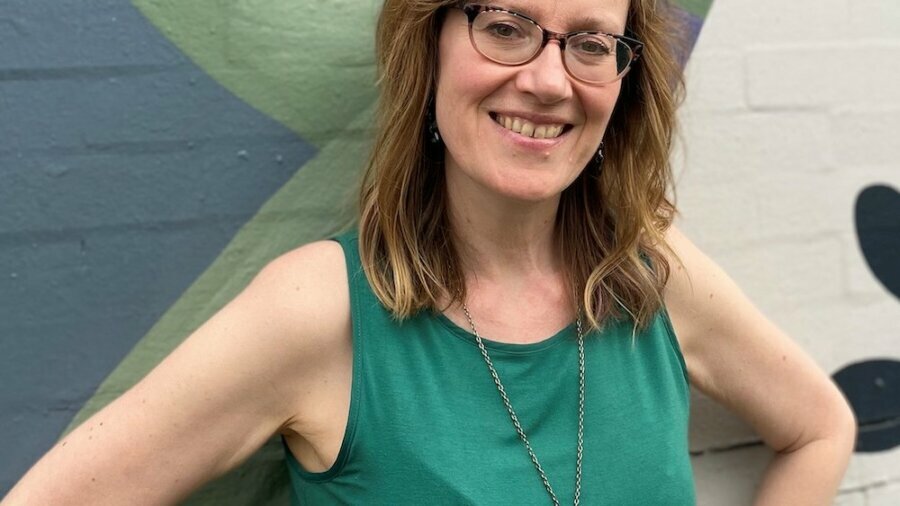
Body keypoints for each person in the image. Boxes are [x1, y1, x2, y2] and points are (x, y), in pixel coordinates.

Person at [3, 0, 857, 504]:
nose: (551, 80)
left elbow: (821, 426)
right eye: (509, 25)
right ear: (432, 41)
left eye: (593, 42)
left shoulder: (652, 272)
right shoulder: (321, 313)